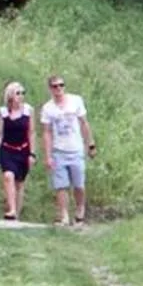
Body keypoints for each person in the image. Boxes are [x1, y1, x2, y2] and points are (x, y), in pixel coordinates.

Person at [38, 74, 97, 227]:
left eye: (61, 85)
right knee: (61, 185)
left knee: (79, 184)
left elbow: (84, 123)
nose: (59, 88)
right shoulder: (48, 108)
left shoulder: (75, 101)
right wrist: (48, 156)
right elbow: (46, 132)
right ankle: (64, 215)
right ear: (50, 89)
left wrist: (90, 144)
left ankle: (80, 209)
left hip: (76, 149)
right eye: (55, 86)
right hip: (59, 150)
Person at [0, 81, 33, 220]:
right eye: (18, 93)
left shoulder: (28, 110)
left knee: (19, 183)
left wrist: (32, 153)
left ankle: (16, 214)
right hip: (7, 149)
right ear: (10, 96)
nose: (21, 96)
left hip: (23, 150)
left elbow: (31, 132)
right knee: (8, 176)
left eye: (23, 93)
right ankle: (12, 209)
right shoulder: (3, 112)